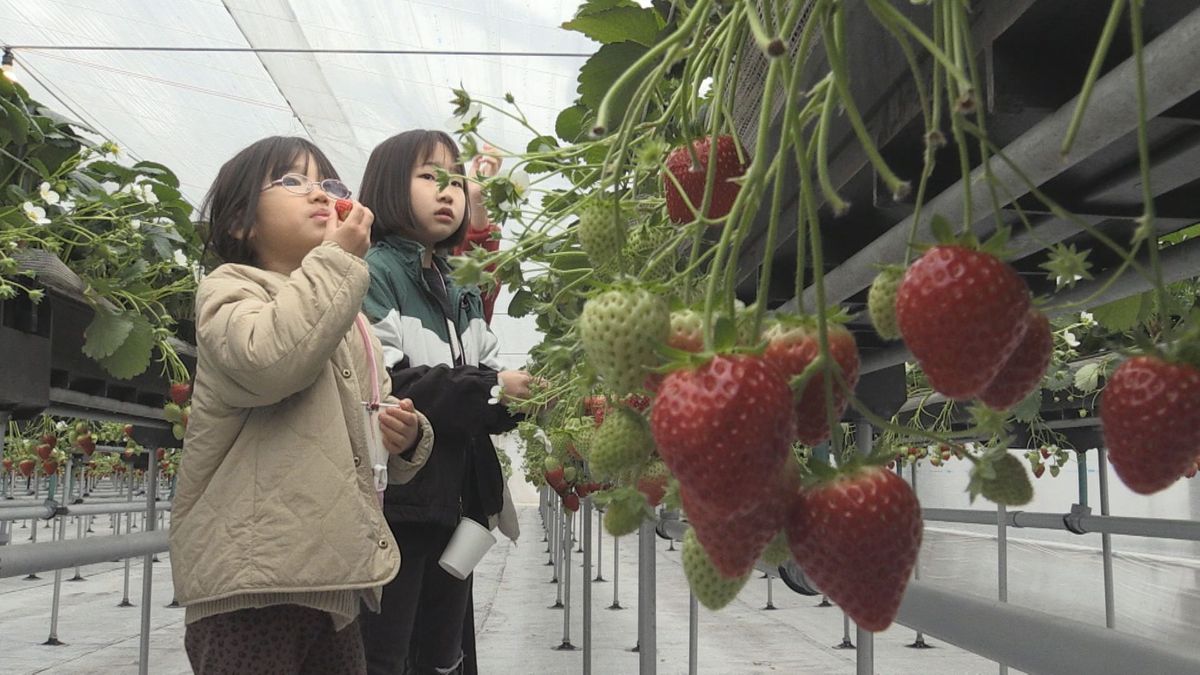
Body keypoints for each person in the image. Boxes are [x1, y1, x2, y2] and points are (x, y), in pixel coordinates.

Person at [170, 136, 435, 675]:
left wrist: (406, 435)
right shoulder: (230, 289)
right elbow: (268, 362)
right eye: (292, 181)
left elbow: (372, 414)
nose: (319, 193)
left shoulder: (347, 317)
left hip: (332, 583)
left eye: (328, 183)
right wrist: (338, 260)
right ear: (242, 222)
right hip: (250, 589)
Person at [357, 129, 532, 675]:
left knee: (443, 652)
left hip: (456, 504)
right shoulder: (374, 272)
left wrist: (519, 394)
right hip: (400, 506)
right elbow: (390, 385)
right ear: (387, 186)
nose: (448, 190)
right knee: (388, 650)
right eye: (429, 177)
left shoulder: (459, 290)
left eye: (455, 179)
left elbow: (481, 388)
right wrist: (492, 386)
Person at [452, 144, 503, 324]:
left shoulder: (441, 266)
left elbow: (477, 306)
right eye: (427, 176)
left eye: (455, 183)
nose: (446, 194)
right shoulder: (380, 266)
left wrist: (476, 196)